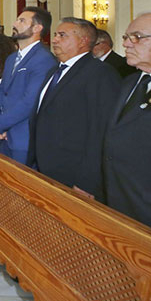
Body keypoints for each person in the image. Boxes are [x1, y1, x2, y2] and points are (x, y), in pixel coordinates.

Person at [30, 18, 120, 201]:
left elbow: (101, 131)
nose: (54, 40)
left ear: (83, 41)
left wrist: (88, 181)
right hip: (46, 167)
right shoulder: (55, 72)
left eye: (62, 35)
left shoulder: (100, 73)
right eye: (55, 35)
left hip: (74, 173)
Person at [104, 12, 151, 239]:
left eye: (137, 37)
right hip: (118, 202)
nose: (126, 43)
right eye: (126, 37)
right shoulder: (130, 82)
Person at [0, 6, 57, 165]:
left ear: (37, 28)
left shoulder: (44, 59)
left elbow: (30, 101)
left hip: (23, 136)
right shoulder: (11, 58)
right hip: (3, 135)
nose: (14, 24)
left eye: (22, 21)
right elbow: (1, 91)